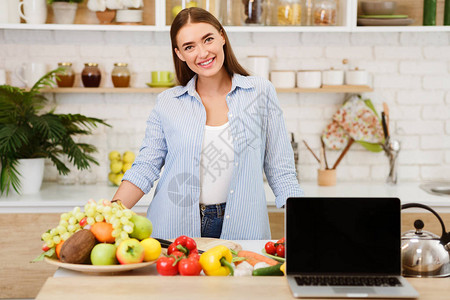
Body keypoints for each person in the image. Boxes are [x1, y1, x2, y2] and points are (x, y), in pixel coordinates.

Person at [113, 7, 303, 240]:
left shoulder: (260, 93)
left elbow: (281, 170)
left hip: (243, 227)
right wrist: (109, 215)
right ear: (180, 54)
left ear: (222, 36)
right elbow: (145, 167)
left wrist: (304, 223)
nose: (202, 53)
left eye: (208, 39)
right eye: (189, 47)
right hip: (173, 227)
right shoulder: (167, 103)